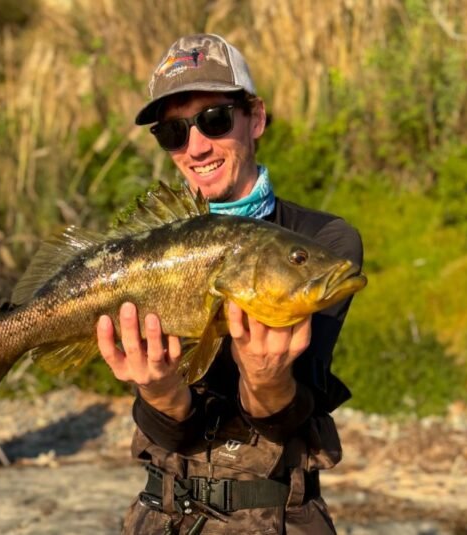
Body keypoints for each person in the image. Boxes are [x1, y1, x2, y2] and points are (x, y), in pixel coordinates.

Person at [95, 33, 363, 534]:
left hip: (279, 517)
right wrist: (159, 390)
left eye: (214, 120)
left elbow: (290, 414)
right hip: (163, 514)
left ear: (255, 118)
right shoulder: (150, 246)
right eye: (173, 132)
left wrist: (266, 380)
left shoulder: (319, 242)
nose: (196, 147)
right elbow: (172, 428)